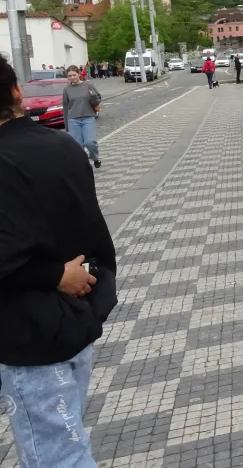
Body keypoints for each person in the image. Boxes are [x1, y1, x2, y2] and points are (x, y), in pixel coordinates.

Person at [0, 55, 117, 468]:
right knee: (67, 434)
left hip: (28, 335)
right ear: (17, 93)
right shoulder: (63, 145)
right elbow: (90, 228)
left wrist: (52, 276)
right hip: (76, 318)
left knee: (56, 454)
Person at [63, 65, 103, 168]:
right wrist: (66, 125)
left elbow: (98, 99)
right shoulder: (67, 89)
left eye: (74, 75)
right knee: (78, 145)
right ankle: (83, 164)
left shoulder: (88, 86)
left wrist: (93, 96)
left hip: (88, 117)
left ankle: (95, 158)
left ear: (79, 74)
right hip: (73, 119)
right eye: (69, 76)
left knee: (90, 142)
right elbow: (66, 107)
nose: (72, 77)